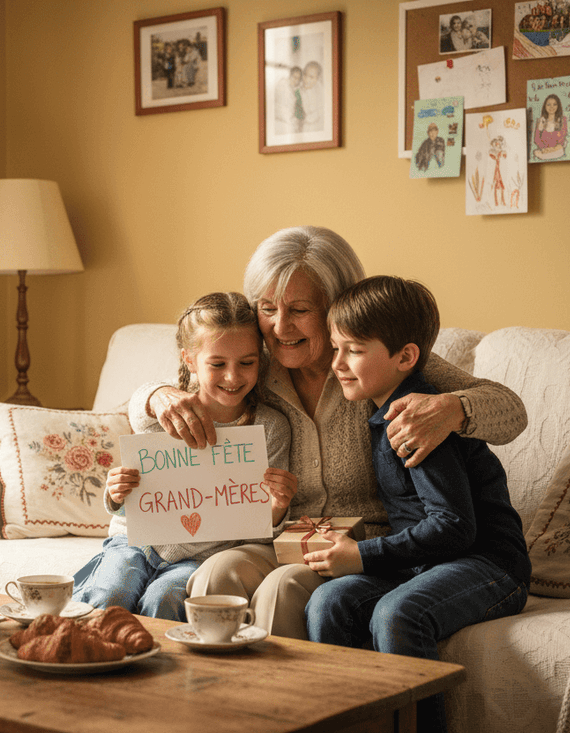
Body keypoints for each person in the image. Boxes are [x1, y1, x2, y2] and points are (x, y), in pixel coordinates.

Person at [129, 226, 528, 638]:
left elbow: (510, 409)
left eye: (299, 309)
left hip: (365, 544)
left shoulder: (371, 363)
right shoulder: (251, 365)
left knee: (281, 589)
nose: (281, 327)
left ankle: (293, 700)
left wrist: (451, 408)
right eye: (267, 308)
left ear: (336, 306)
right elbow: (168, 394)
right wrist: (157, 395)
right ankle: (217, 698)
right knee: (216, 573)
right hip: (283, 538)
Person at [306, 275, 530, 733]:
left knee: (398, 613)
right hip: (430, 563)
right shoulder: (382, 408)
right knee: (329, 601)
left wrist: (363, 555)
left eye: (352, 350)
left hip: (489, 565)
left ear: (404, 357)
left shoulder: (420, 420)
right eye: (335, 348)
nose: (337, 365)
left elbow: (454, 526)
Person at [72, 292, 297, 621]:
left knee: (167, 600)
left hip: (204, 555)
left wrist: (276, 508)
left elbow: (255, 527)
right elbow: (131, 490)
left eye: (246, 363)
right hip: (134, 542)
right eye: (217, 364)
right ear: (189, 359)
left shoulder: (270, 428)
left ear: (260, 361)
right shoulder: (164, 410)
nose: (233, 377)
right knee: (110, 594)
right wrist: (116, 491)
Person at [532, 94, 567, 161]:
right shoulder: (541, 121)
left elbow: (563, 136)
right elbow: (537, 138)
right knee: (537, 152)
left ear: (558, 106)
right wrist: (544, 149)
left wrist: (554, 148)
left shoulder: (562, 120)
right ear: (545, 106)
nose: (551, 107)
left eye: (554, 104)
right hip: (544, 151)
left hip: (557, 150)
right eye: (548, 104)